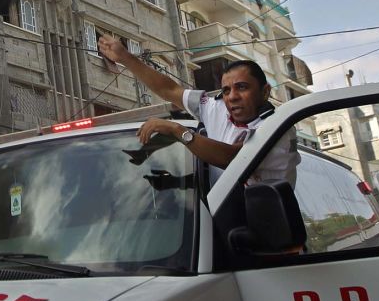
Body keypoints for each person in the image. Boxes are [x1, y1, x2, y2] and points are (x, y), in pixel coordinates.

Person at [97, 35, 298, 187]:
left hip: (267, 237)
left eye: (242, 87)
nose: (232, 96)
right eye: (226, 90)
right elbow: (170, 90)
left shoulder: (278, 130)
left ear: (265, 92)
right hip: (223, 228)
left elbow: (232, 159)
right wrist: (125, 57)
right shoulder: (215, 108)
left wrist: (178, 131)